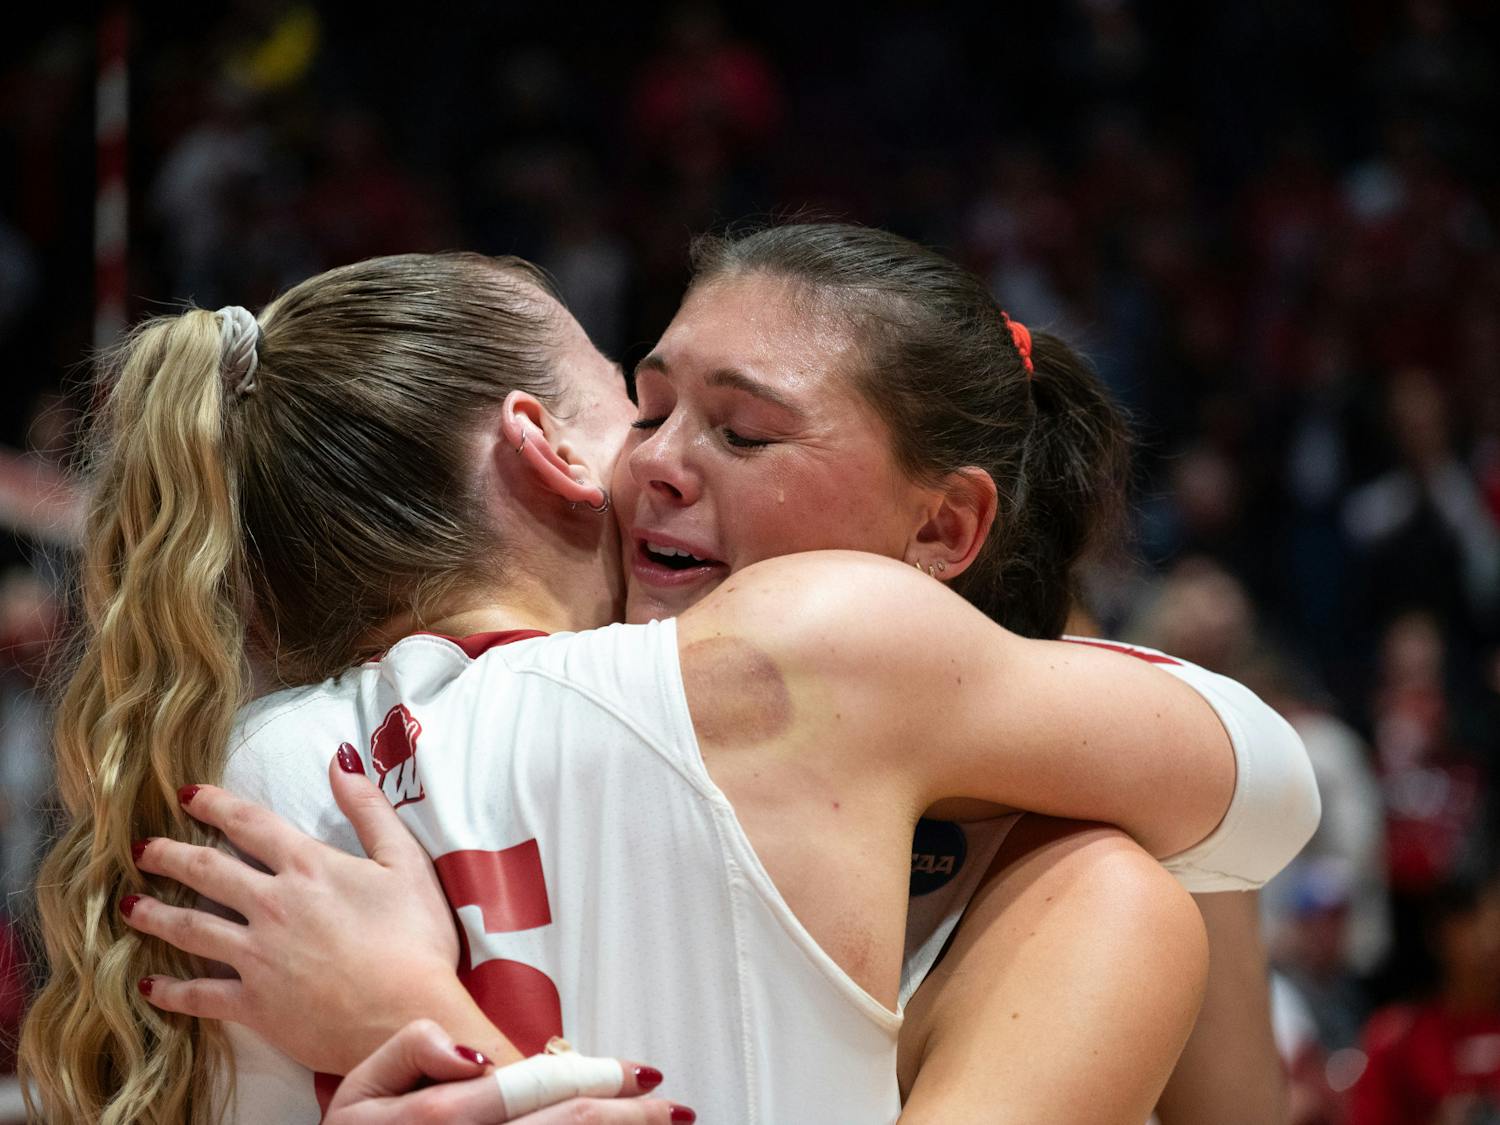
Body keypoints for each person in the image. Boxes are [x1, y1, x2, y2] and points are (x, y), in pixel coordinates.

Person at [21, 243, 1315, 1124]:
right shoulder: (805, 686)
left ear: (946, 527)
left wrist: (422, 1017)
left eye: (739, 432)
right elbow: (1268, 784)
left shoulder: (230, 762)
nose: (655, 465)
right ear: (540, 449)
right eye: (641, 408)